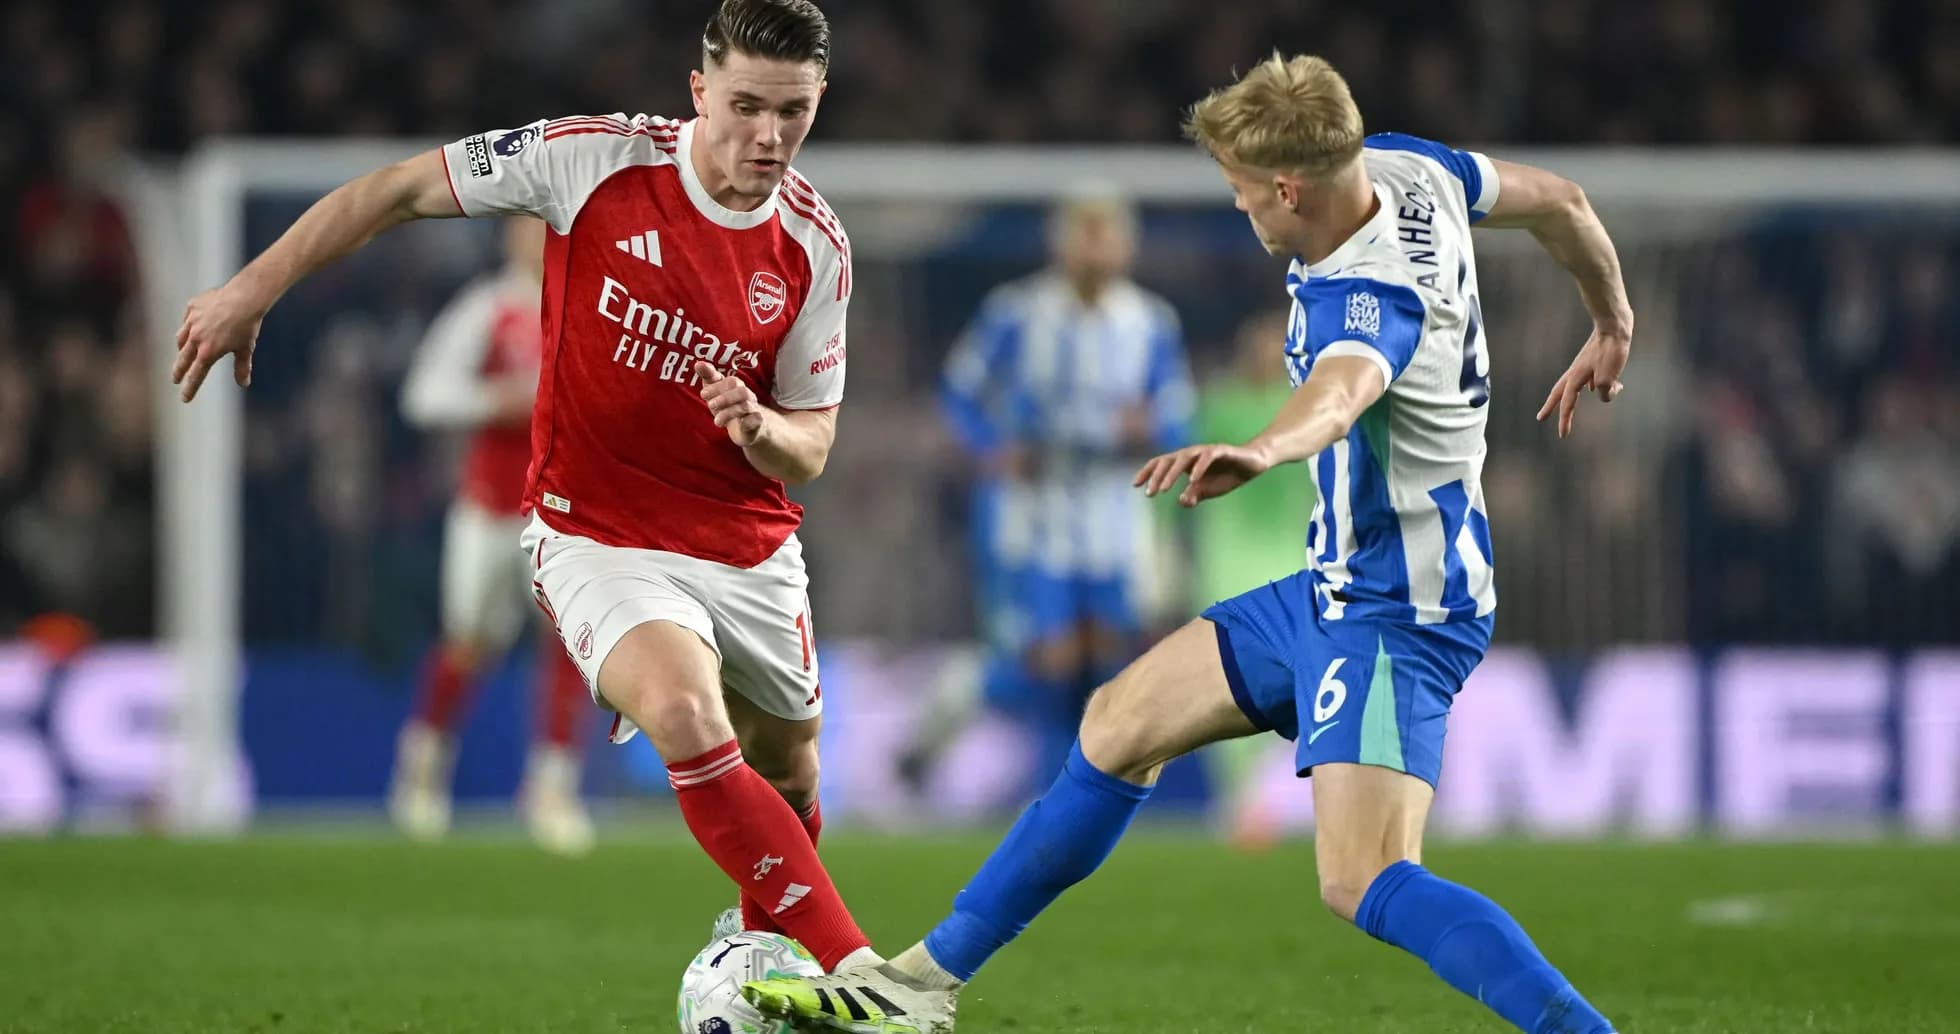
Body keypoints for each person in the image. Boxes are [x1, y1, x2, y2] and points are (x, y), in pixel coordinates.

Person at [742, 52, 1633, 1033]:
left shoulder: (1363, 295)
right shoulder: (1410, 168)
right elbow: (1563, 201)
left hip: (1400, 608)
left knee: (1364, 876)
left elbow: (1339, 392)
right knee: (1118, 720)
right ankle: (915, 982)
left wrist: (1261, 445)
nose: (1243, 211)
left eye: (1244, 193)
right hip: (1334, 586)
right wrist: (1610, 314)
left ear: (1290, 187)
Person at [174, 0, 883, 974]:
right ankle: (858, 966)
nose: (768, 136)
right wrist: (250, 288)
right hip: (593, 531)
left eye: (793, 112)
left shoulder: (815, 247)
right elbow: (395, 189)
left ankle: (763, 964)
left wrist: (764, 427)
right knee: (680, 712)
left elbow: (813, 448)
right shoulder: (590, 160)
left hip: (742, 536)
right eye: (746, 105)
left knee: (791, 762)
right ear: (698, 90)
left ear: (818, 100)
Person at [899, 190, 1193, 806]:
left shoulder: (1150, 322)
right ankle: (1030, 785)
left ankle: (1079, 798)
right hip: (1032, 519)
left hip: (1116, 520)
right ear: (1060, 243)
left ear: (1126, 245)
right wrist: (993, 450)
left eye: (1106, 233)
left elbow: (1177, 418)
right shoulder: (1017, 313)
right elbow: (959, 395)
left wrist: (1153, 430)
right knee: (1047, 663)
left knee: (1108, 665)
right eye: (1083, 232)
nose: (1096, 246)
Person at [388, 215, 595, 856]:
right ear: (512, 238)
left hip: (564, 512)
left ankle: (552, 789)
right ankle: (423, 768)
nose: (543, 243)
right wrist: (492, 401)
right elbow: (422, 395)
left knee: (569, 645)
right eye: (532, 231)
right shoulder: (486, 309)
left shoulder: (592, 307)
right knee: (470, 642)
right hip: (489, 509)